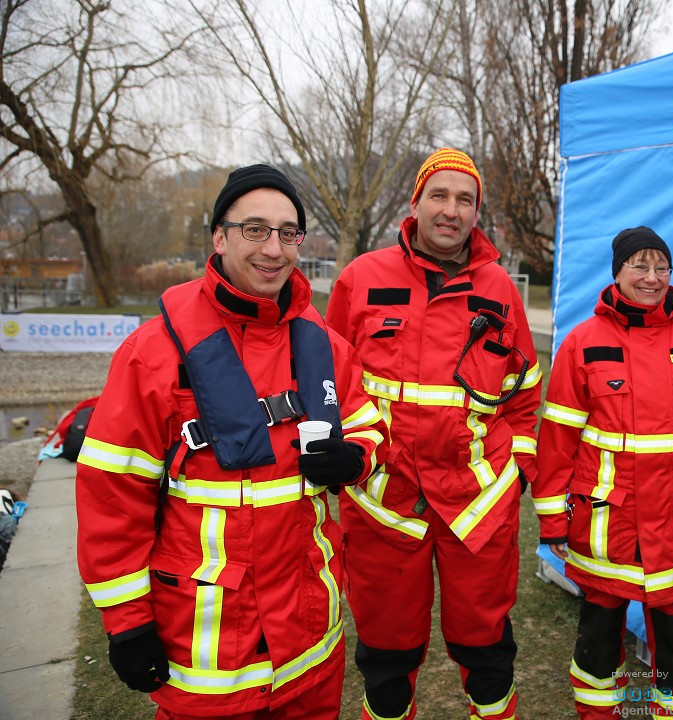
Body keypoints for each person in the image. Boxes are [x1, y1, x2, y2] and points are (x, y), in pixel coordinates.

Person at [76, 164, 387, 719]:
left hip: (311, 646)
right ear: (219, 237)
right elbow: (110, 497)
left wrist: (356, 458)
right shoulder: (152, 355)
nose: (275, 248)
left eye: (289, 233)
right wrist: (126, 623)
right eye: (255, 229)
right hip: (206, 654)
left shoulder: (326, 347)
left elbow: (367, 425)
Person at [325, 147, 541, 720]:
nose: (451, 210)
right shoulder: (361, 279)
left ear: (477, 212)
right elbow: (330, 381)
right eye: (439, 196)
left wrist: (517, 466)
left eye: (465, 200)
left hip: (478, 500)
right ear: (414, 202)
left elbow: (524, 391)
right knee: (387, 659)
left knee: (487, 650)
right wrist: (341, 454)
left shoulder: (499, 287)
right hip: (382, 501)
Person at [534, 226, 673, 719]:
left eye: (661, 267)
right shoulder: (583, 343)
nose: (651, 277)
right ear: (617, 272)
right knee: (598, 645)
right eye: (639, 266)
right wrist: (554, 521)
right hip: (607, 527)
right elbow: (557, 443)